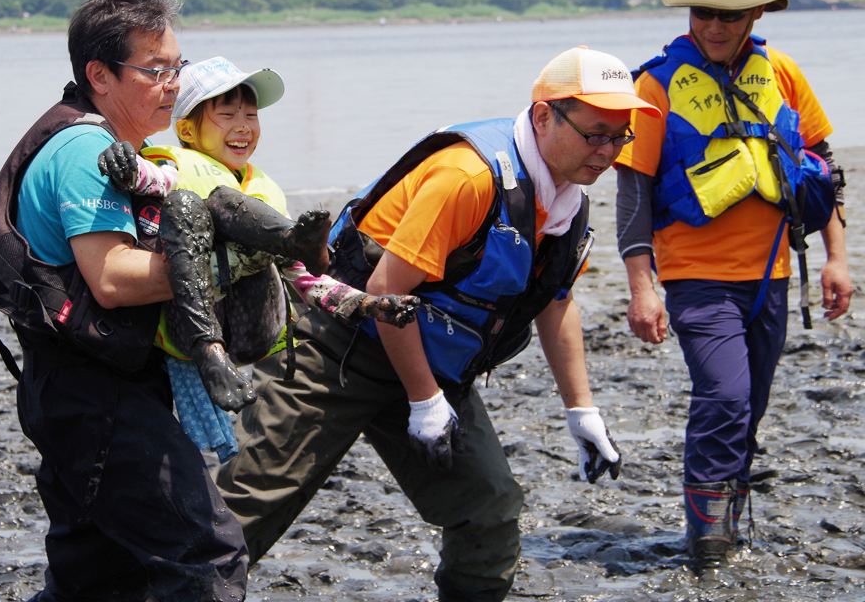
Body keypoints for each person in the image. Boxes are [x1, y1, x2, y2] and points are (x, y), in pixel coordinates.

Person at [216, 46, 659, 601]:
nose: (609, 152)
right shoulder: (469, 176)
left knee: (490, 513)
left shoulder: (567, 200)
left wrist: (581, 410)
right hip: (338, 347)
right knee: (244, 512)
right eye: (597, 133)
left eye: (622, 137)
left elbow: (555, 301)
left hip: (429, 360)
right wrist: (424, 402)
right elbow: (386, 292)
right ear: (544, 115)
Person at [0, 0, 247, 601]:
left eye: (177, 68)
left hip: (72, 390)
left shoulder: (119, 146)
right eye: (155, 70)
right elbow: (110, 280)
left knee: (95, 576)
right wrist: (230, 265)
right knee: (207, 552)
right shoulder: (90, 152)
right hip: (95, 395)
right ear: (99, 75)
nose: (172, 84)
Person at [615, 0, 852, 568]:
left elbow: (822, 169)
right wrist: (642, 287)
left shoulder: (784, 73)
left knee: (750, 405)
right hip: (696, 277)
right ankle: (708, 542)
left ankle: (728, 518)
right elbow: (633, 190)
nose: (714, 26)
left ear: (756, 16)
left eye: (728, 14)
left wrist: (837, 257)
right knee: (724, 395)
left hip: (774, 274)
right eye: (703, 14)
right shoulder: (656, 83)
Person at [97, 56, 420, 413]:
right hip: (193, 327)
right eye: (227, 115)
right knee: (211, 200)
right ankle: (214, 352)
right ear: (187, 131)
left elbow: (304, 279)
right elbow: (151, 179)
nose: (243, 127)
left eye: (251, 116)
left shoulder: (264, 189)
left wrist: (366, 304)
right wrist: (124, 165)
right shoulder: (175, 164)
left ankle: (292, 243)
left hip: (256, 330)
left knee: (277, 239)